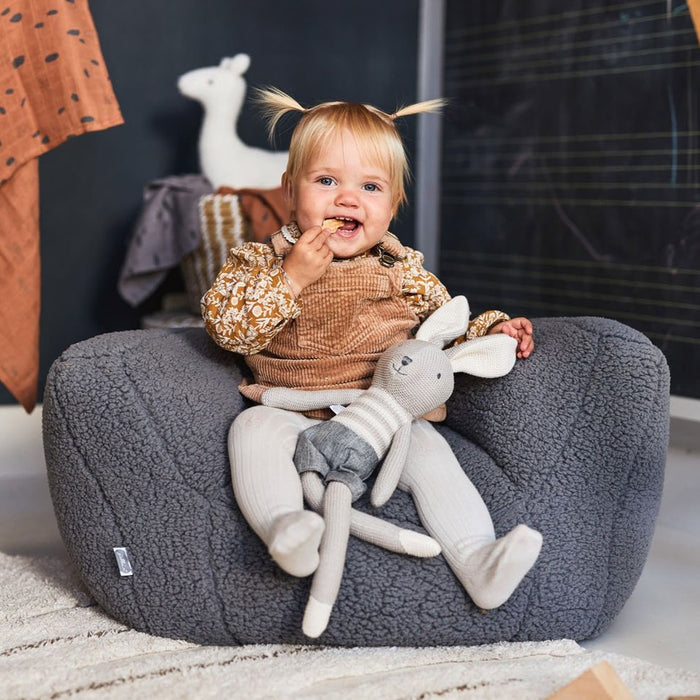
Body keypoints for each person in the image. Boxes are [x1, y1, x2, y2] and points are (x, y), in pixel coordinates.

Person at [202, 88, 542, 610]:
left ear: (392, 205)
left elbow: (444, 328)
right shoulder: (259, 262)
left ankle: (478, 560)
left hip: (383, 417)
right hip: (293, 408)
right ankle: (286, 531)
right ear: (290, 191)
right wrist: (291, 280)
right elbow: (227, 330)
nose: (347, 198)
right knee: (250, 431)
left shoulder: (401, 269)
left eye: (370, 186)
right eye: (327, 181)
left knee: (434, 455)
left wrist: (495, 330)